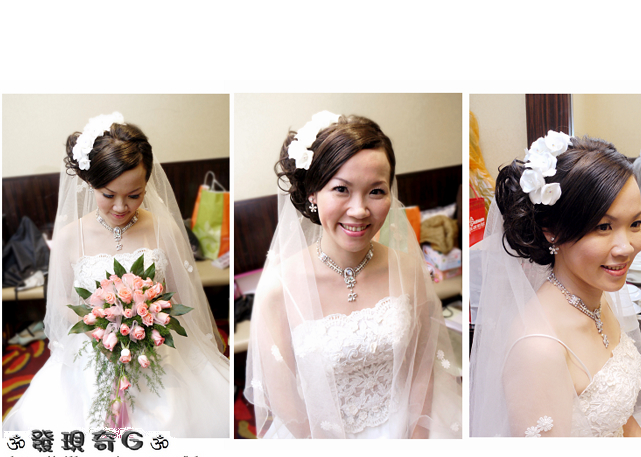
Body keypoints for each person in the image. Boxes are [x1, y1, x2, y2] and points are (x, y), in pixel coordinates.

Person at [3, 112, 230, 437]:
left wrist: (151, 322)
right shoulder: (69, 237)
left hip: (158, 349)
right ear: (90, 184)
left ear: (147, 186)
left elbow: (181, 297)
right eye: (109, 195)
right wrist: (99, 325)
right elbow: (62, 300)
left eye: (134, 195)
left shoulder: (163, 228)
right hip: (93, 350)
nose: (121, 207)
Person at [244, 111, 462, 438]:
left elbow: (422, 369)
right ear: (313, 193)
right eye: (341, 189)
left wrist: (416, 437)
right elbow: (285, 400)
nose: (359, 210)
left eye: (376, 191)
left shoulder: (409, 269)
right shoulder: (279, 287)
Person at [470, 132, 641, 437]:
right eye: (603, 227)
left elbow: (623, 419)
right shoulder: (537, 349)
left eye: (635, 224)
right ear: (551, 230)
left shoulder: (596, 296)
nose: (626, 247)